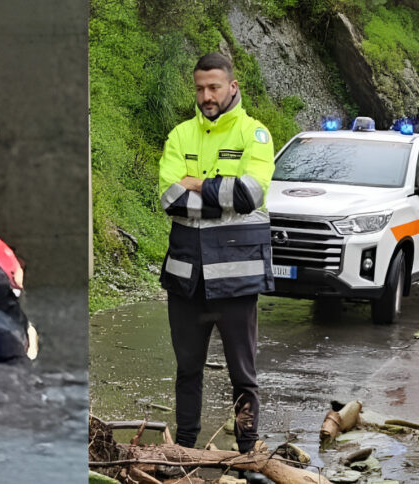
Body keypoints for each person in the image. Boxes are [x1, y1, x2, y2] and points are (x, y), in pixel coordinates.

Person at [157, 52, 275, 452]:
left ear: (232, 87)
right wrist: (219, 192)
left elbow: (250, 194)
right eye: (200, 88)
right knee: (187, 371)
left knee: (243, 375)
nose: (206, 96)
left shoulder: (254, 134)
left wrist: (197, 184)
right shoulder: (180, 135)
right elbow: (169, 198)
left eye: (214, 87)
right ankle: (184, 452)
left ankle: (247, 455)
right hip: (185, 280)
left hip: (236, 282)